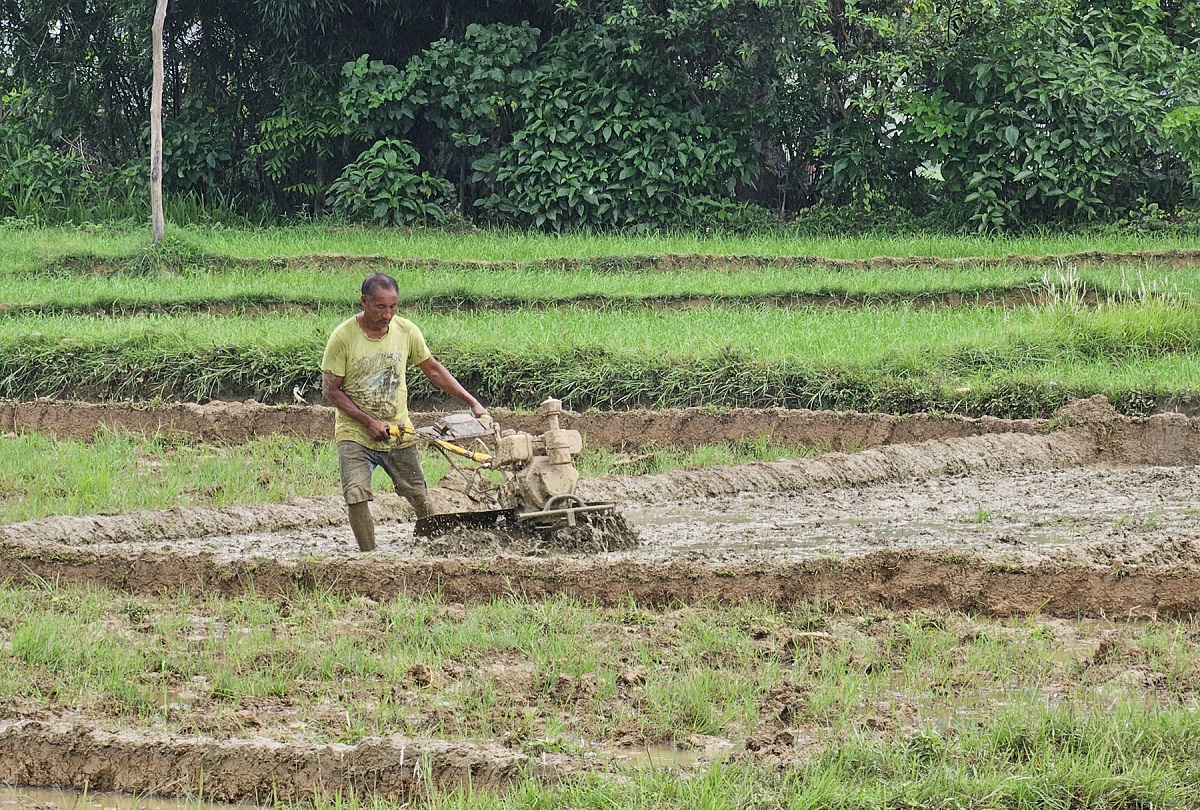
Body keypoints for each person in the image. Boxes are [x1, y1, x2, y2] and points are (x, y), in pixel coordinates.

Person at [321, 273, 488, 551]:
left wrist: (472, 402)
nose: (387, 314)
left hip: (399, 430)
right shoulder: (343, 338)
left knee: (419, 495)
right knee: (356, 494)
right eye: (380, 307)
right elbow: (332, 390)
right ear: (364, 302)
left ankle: (434, 548)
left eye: (393, 307)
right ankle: (369, 557)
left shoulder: (406, 331)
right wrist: (369, 421)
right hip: (355, 433)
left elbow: (433, 369)